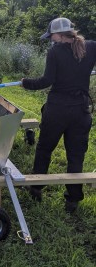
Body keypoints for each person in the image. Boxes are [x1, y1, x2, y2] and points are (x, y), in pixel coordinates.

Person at [21, 17, 96, 213]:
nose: (51, 39)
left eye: (52, 36)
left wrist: (26, 83)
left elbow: (47, 80)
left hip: (57, 110)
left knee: (45, 149)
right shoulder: (90, 46)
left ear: (59, 34)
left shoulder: (54, 52)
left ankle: (36, 188)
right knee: (76, 155)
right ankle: (72, 200)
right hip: (81, 111)